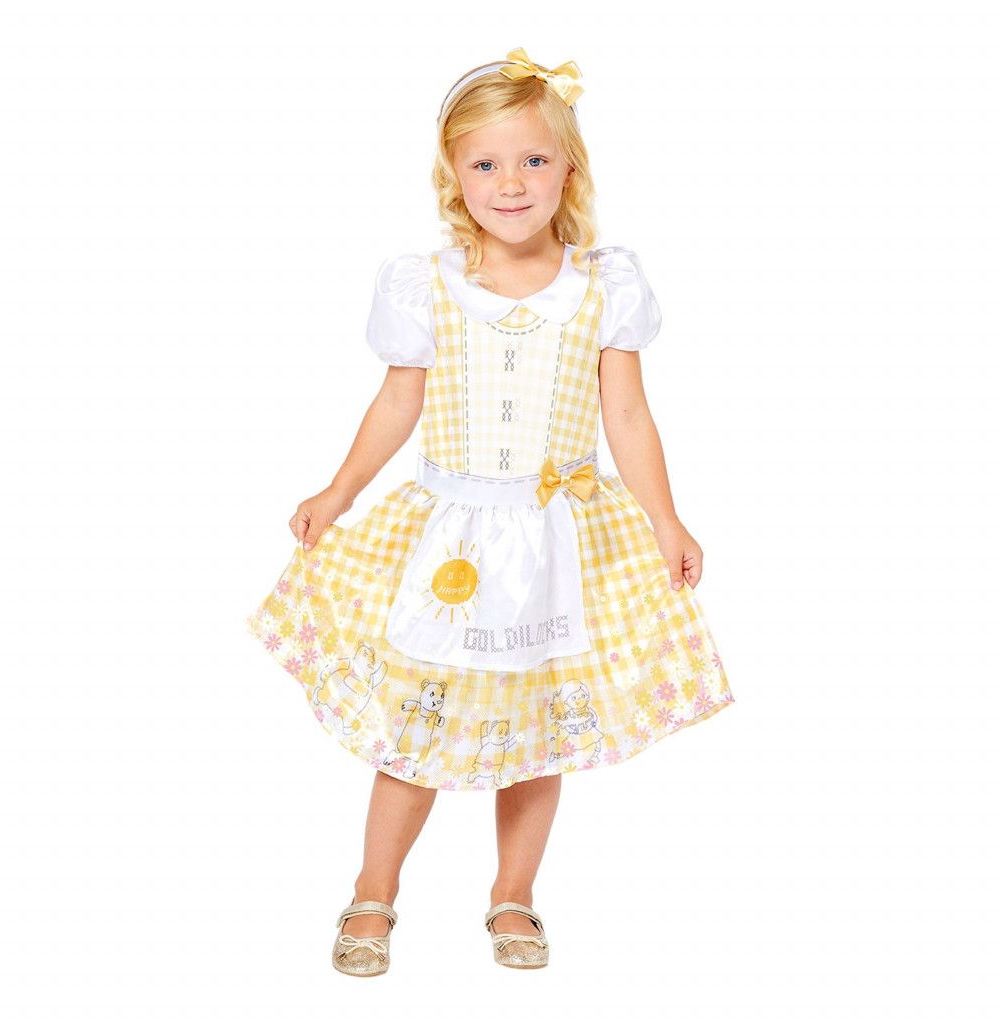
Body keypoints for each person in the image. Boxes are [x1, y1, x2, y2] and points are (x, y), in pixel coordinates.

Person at [245, 47, 735, 976]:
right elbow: (399, 402)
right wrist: (338, 491)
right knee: (416, 726)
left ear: (569, 171)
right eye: (486, 163)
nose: (511, 183)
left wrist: (667, 520)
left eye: (534, 160)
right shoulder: (427, 283)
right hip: (453, 539)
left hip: (558, 542)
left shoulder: (604, 285)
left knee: (538, 730)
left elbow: (628, 416)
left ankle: (514, 894)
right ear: (454, 174)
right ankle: (373, 891)